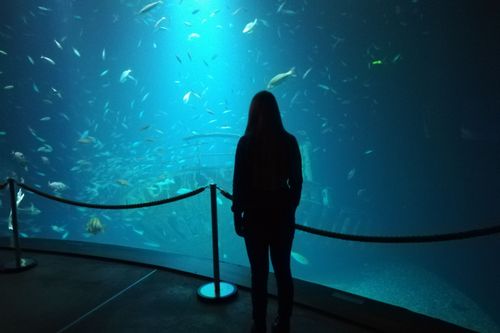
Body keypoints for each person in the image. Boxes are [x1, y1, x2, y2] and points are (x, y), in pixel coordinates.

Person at [232, 91, 303, 333]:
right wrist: (290, 206)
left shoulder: (246, 143)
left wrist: (237, 214)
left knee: (258, 273)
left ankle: (258, 322)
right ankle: (284, 321)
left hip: (255, 214)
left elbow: (238, 183)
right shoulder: (289, 141)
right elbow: (297, 182)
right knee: (283, 270)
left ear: (252, 113)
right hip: (282, 214)